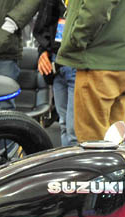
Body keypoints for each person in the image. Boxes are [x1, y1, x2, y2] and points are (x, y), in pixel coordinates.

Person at [56, 0, 125, 141]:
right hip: (124, 55)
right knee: (116, 141)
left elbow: (96, 7)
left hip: (98, 58)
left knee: (93, 142)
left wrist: (75, 39)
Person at [33, 0, 76, 146]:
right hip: (56, 62)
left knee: (74, 129)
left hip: (77, 61)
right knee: (64, 125)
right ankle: (68, 159)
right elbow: (44, 22)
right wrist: (43, 51)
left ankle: (75, 160)